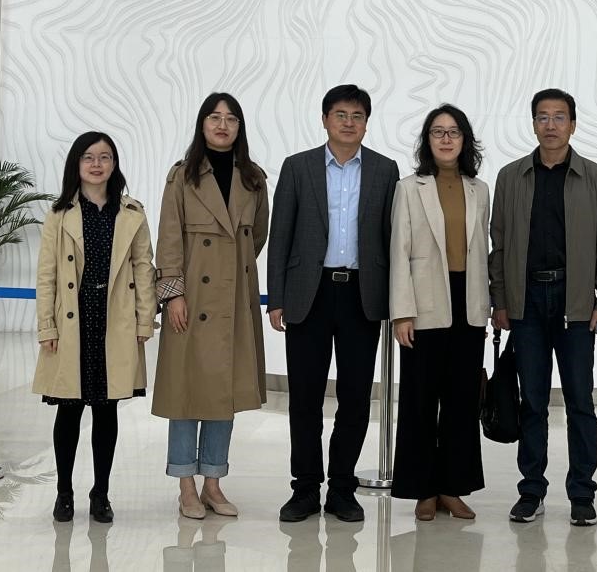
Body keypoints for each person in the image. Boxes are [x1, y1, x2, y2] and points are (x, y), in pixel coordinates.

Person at [267, 84, 399, 523]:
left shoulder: (385, 170)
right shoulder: (298, 167)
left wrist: (396, 300)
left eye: (357, 115)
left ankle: (342, 488)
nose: (348, 122)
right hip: (310, 293)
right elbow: (280, 236)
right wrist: (277, 298)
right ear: (325, 119)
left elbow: (392, 239)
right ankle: (305, 488)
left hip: (362, 294)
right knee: (305, 397)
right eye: (340, 114)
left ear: (367, 123)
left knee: (356, 397)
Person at [488, 88, 597, 527]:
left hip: (575, 304)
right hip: (525, 304)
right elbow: (498, 244)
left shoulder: (595, 178)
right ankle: (531, 491)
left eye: (559, 117)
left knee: (580, 402)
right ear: (533, 124)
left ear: (573, 125)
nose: (550, 125)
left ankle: (582, 494)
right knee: (533, 403)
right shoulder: (511, 177)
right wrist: (500, 300)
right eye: (542, 117)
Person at [152, 92, 270, 520]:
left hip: (233, 300)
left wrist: (231, 271)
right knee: (186, 393)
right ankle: (186, 485)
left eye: (231, 119)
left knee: (225, 392)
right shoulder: (181, 176)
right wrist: (173, 294)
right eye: (215, 117)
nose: (223, 125)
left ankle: (214, 483)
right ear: (202, 124)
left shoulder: (253, 179)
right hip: (191, 299)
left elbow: (258, 235)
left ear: (240, 128)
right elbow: (168, 237)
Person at [33, 131, 156, 524]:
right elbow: (47, 275)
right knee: (68, 410)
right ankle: (64, 492)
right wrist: (46, 326)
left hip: (114, 321)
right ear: (77, 164)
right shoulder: (59, 215)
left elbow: (144, 268)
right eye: (89, 157)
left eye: (105, 157)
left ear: (114, 164)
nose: (97, 164)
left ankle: (101, 493)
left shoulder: (131, 212)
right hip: (73, 320)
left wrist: (144, 319)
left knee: (107, 411)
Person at [389, 105, 490, 521]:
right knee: (420, 399)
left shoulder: (479, 189)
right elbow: (399, 251)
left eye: (454, 132)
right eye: (438, 132)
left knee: (462, 400)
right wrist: (402, 313)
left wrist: (488, 308)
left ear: (465, 140)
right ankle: (423, 490)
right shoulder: (409, 188)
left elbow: (482, 251)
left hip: (469, 304)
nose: (446, 139)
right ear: (427, 140)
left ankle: (452, 487)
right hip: (424, 302)